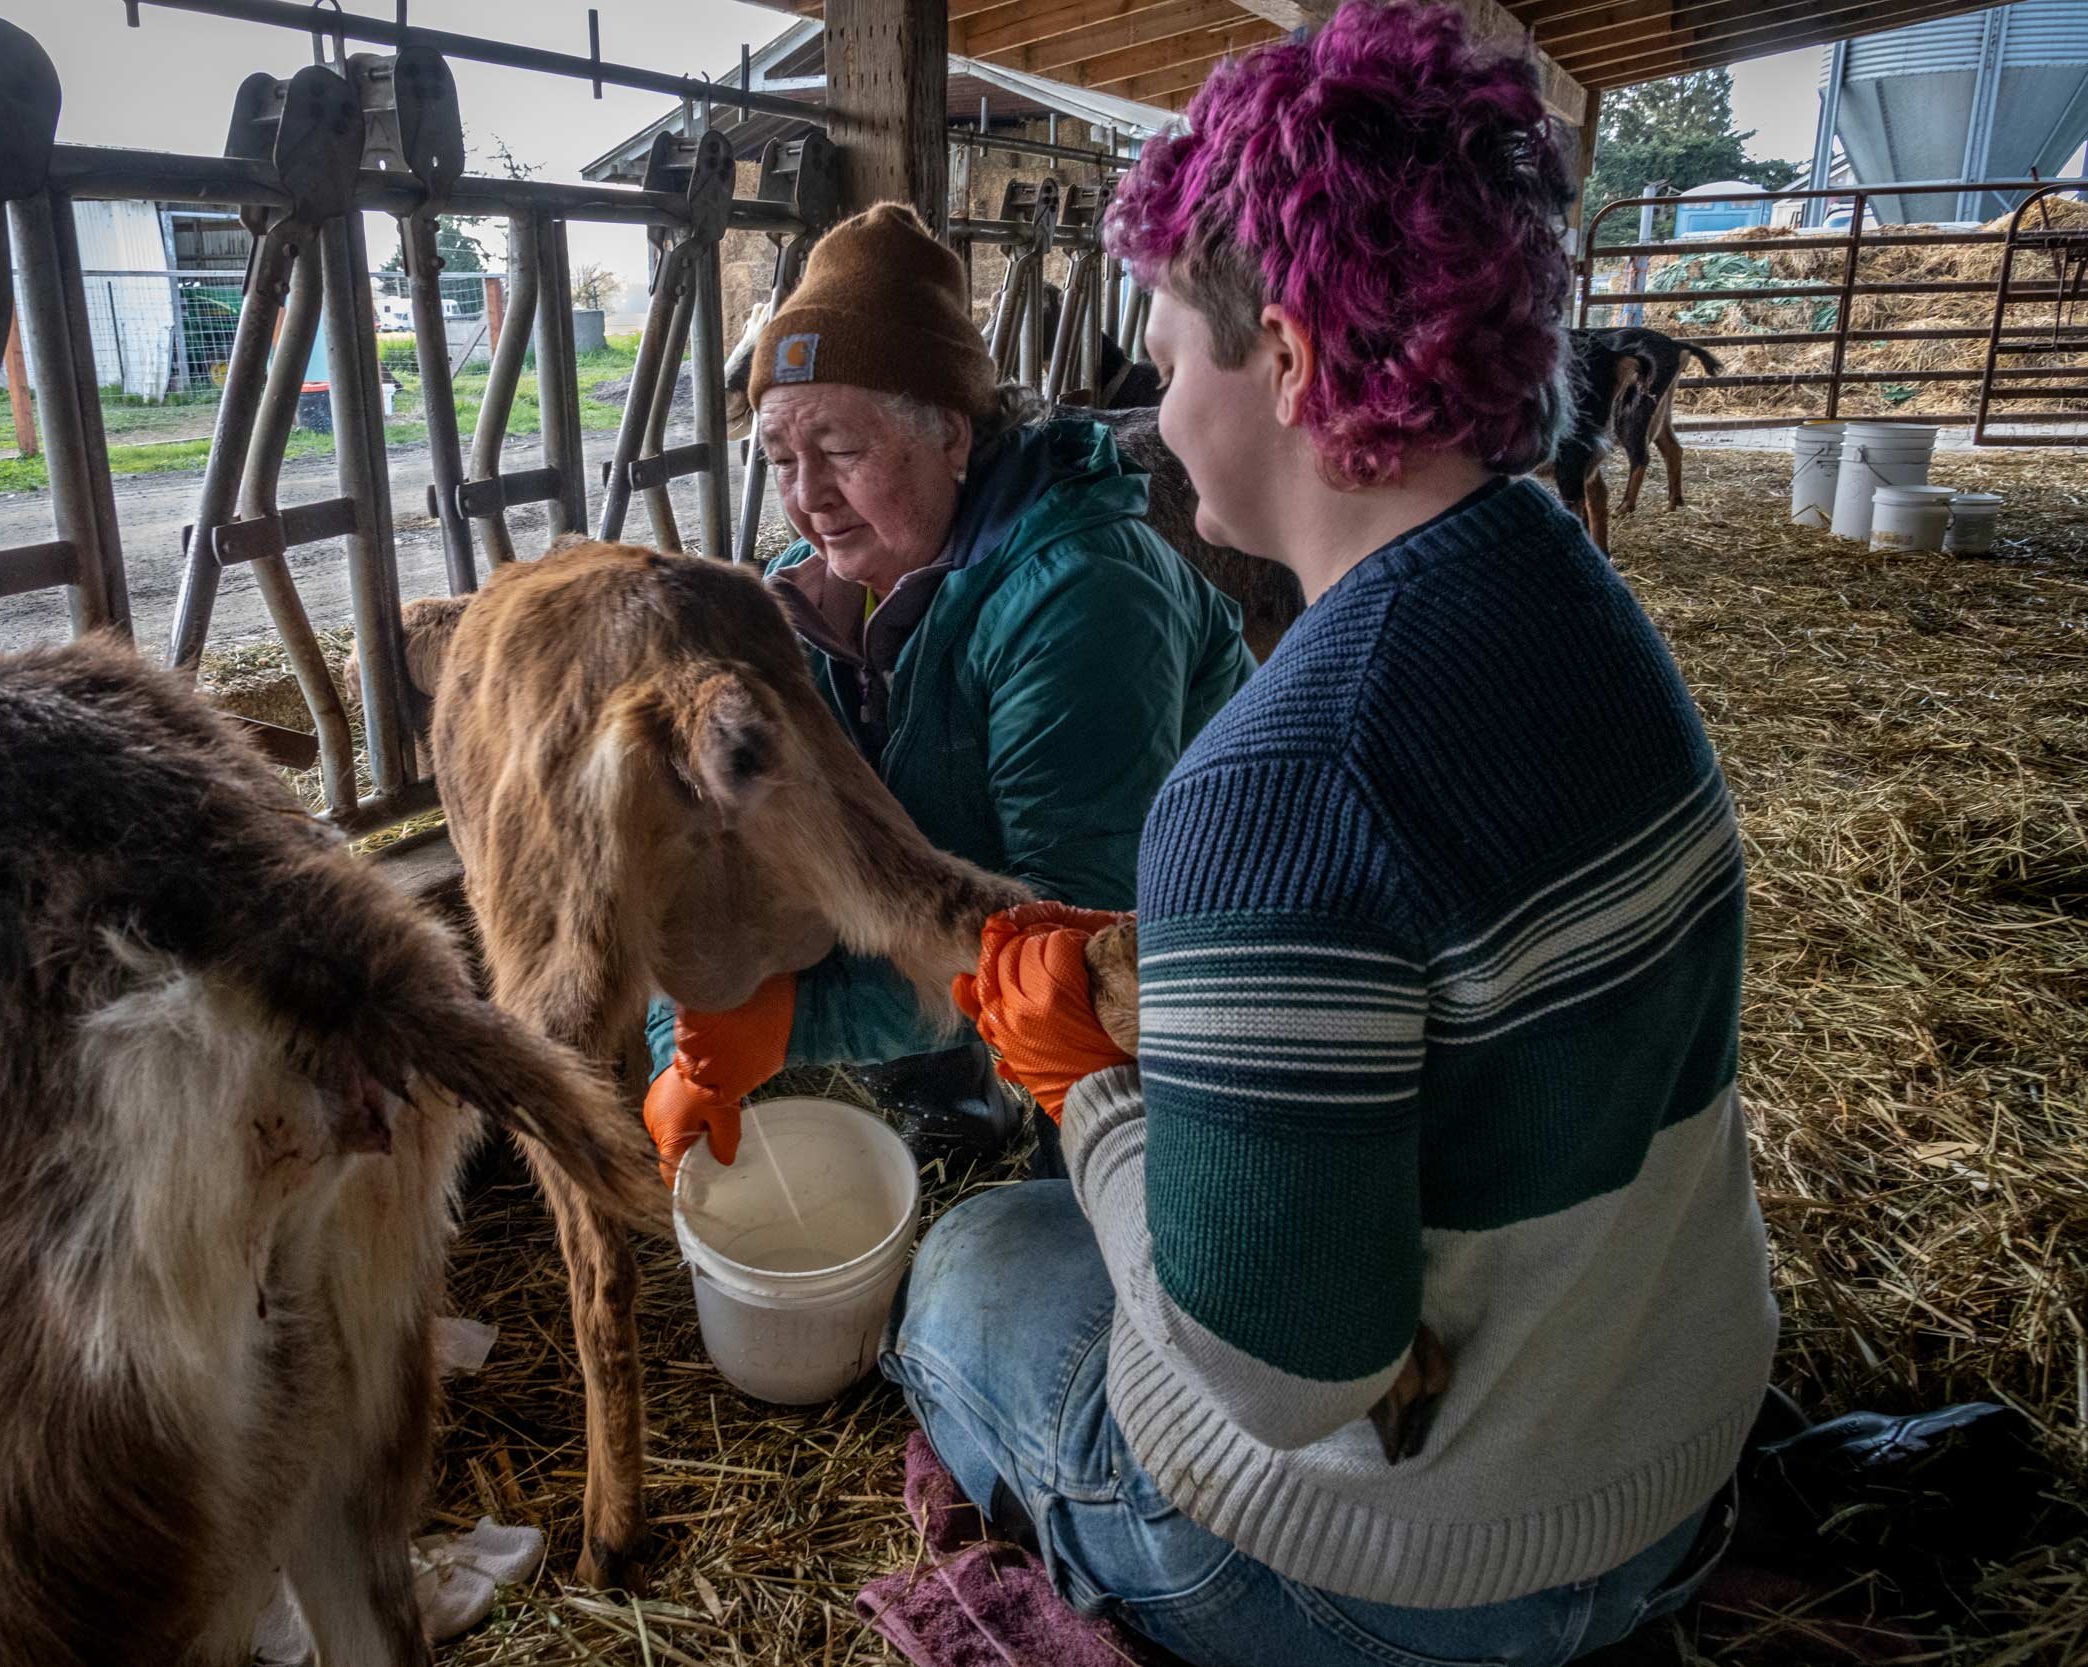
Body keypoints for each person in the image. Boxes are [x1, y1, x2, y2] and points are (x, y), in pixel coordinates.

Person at [894, 7, 1782, 1666]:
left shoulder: (1277, 781)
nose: (1154, 418)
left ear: (1291, 362)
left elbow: (1282, 1370)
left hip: (1429, 1577)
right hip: (1679, 1444)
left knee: (969, 1268)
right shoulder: (1591, 608)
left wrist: (1083, 1088)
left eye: (1166, 363)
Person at [641, 203, 1252, 1174]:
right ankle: (960, 1094)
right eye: (780, 458)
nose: (808, 495)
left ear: (951, 437)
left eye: (840, 448)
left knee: (1082, 1169)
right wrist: (690, 1027)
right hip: (972, 905)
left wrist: (785, 1023)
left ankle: (1076, 1172)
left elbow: (1076, 943)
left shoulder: (1084, 595)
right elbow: (712, 839)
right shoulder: (813, 588)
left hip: (1169, 967)